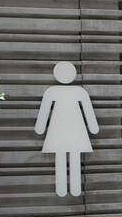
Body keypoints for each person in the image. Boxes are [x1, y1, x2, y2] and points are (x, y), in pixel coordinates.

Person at [35, 61, 99, 197]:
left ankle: (66, 189)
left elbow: (44, 112)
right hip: (75, 129)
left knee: (63, 157)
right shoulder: (79, 91)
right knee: (72, 156)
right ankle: (71, 189)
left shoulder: (52, 91)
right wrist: (93, 127)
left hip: (58, 130)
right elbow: (88, 112)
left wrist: (40, 128)